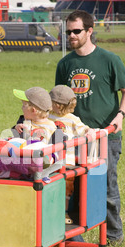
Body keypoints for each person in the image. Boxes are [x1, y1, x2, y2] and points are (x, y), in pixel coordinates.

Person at [55, 10, 125, 246]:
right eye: (68, 31)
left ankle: (113, 235)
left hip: (104, 136)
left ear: (90, 31)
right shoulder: (65, 63)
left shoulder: (110, 60)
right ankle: (73, 234)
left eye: (76, 31)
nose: (71, 35)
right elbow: (60, 99)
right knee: (72, 186)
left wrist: (120, 115)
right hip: (74, 138)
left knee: (106, 185)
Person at [48, 84, 90, 225]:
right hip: (50, 160)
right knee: (50, 186)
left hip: (67, 162)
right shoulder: (47, 116)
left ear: (58, 105)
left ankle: (63, 213)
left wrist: (88, 131)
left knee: (66, 188)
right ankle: (50, 211)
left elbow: (83, 129)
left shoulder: (72, 119)